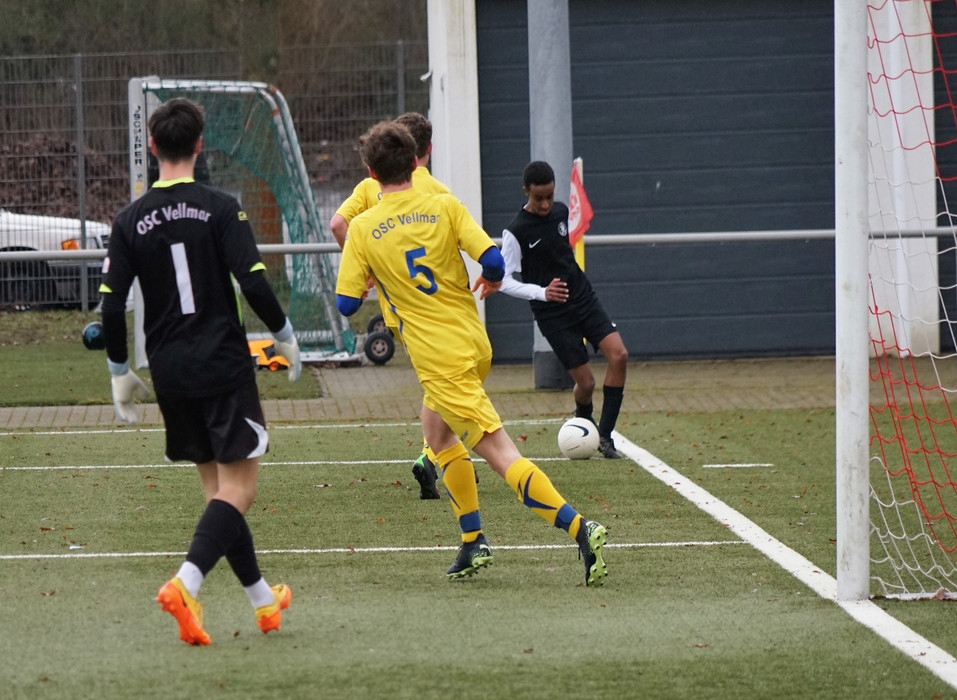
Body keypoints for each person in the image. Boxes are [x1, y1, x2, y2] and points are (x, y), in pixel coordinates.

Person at [334, 120, 608, 587]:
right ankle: (472, 540)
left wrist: (371, 280)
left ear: (371, 173)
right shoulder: (443, 203)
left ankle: (582, 529)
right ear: (416, 161)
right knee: (437, 436)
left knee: (499, 453)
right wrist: (490, 278)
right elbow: (494, 261)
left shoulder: (362, 227)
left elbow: (345, 305)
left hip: (440, 358)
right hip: (474, 342)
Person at [99, 98, 302, 646]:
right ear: (199, 144)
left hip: (170, 372)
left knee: (218, 491)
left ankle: (263, 602)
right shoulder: (221, 207)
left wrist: (119, 370)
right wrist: (284, 333)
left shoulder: (128, 220)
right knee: (240, 490)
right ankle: (185, 585)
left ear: (152, 147)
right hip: (222, 365)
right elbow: (253, 281)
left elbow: (111, 306)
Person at [330, 112, 452, 501]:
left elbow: (338, 224)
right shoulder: (438, 193)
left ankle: (448, 457)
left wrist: (363, 269)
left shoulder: (371, 185)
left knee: (438, 383)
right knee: (449, 383)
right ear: (426, 150)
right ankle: (435, 456)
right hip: (440, 309)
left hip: (396, 309)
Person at [498, 160, 628, 459]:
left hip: (583, 298)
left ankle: (605, 437)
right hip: (552, 314)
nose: (546, 204)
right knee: (586, 383)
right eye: (538, 198)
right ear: (525, 191)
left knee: (619, 355)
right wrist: (541, 292)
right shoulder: (515, 232)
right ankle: (583, 424)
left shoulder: (560, 212)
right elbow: (503, 281)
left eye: (549, 196)